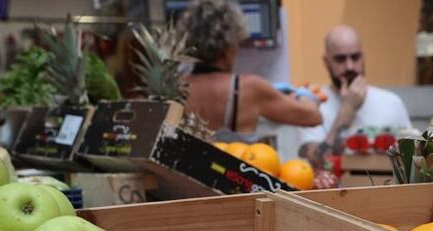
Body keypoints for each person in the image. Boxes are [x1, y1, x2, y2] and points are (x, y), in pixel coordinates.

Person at [177, 0, 321, 135]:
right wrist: (304, 95)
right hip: (239, 159)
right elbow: (312, 117)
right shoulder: (246, 88)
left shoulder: (175, 88)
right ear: (229, 47)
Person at [298, 25, 413, 167]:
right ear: (326, 62)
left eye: (355, 57)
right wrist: (348, 109)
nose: (350, 66)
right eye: (340, 59)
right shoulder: (312, 105)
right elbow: (318, 161)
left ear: (363, 57)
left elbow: (411, 160)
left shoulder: (392, 102)